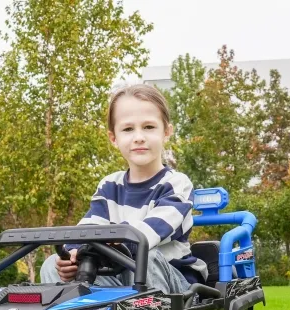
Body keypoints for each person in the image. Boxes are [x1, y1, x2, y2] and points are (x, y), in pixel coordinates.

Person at [40, 84, 207, 293]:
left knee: (145, 258)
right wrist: (72, 254)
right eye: (128, 129)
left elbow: (151, 232)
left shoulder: (176, 184)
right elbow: (89, 227)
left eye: (148, 127)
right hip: (121, 276)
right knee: (53, 265)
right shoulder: (109, 185)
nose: (139, 137)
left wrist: (110, 244)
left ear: (166, 132)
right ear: (114, 138)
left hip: (175, 283)